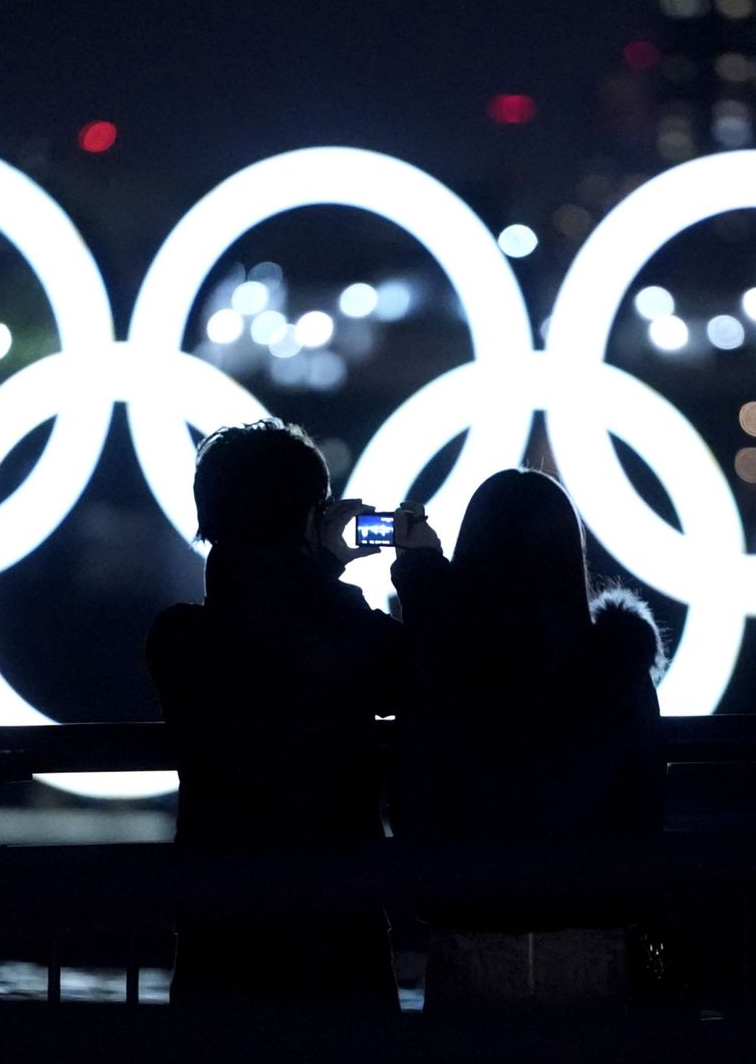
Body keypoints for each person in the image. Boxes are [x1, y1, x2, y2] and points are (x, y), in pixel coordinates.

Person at [145, 419, 425, 1013]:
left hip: (218, 939)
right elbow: (435, 678)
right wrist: (417, 569)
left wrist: (311, 569)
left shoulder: (179, 640)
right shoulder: (347, 629)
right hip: (338, 938)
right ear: (308, 521)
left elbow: (259, 629)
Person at [388, 468, 667, 1011]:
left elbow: (413, 796)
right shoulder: (617, 666)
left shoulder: (443, 666)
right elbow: (645, 800)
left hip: (472, 929)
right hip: (591, 932)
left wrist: (421, 575)